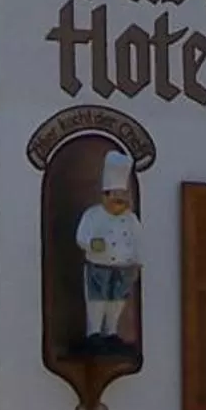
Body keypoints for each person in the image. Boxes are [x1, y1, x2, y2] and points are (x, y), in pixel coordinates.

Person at [74, 149, 142, 354]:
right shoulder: (93, 215)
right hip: (99, 266)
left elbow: (138, 241)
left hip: (123, 267)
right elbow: (82, 237)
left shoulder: (131, 219)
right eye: (116, 195)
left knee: (117, 300)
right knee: (98, 300)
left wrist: (138, 262)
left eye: (123, 195)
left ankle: (111, 332)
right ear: (106, 195)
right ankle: (94, 332)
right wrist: (94, 244)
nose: (120, 199)